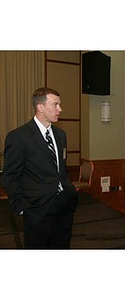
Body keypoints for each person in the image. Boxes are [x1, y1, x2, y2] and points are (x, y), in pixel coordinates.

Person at [2, 87, 78, 249]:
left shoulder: (60, 135)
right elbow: (10, 177)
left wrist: (68, 192)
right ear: (40, 107)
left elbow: (60, 169)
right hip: (37, 209)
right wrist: (21, 207)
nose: (60, 109)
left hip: (64, 205)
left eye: (60, 105)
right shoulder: (18, 137)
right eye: (55, 105)